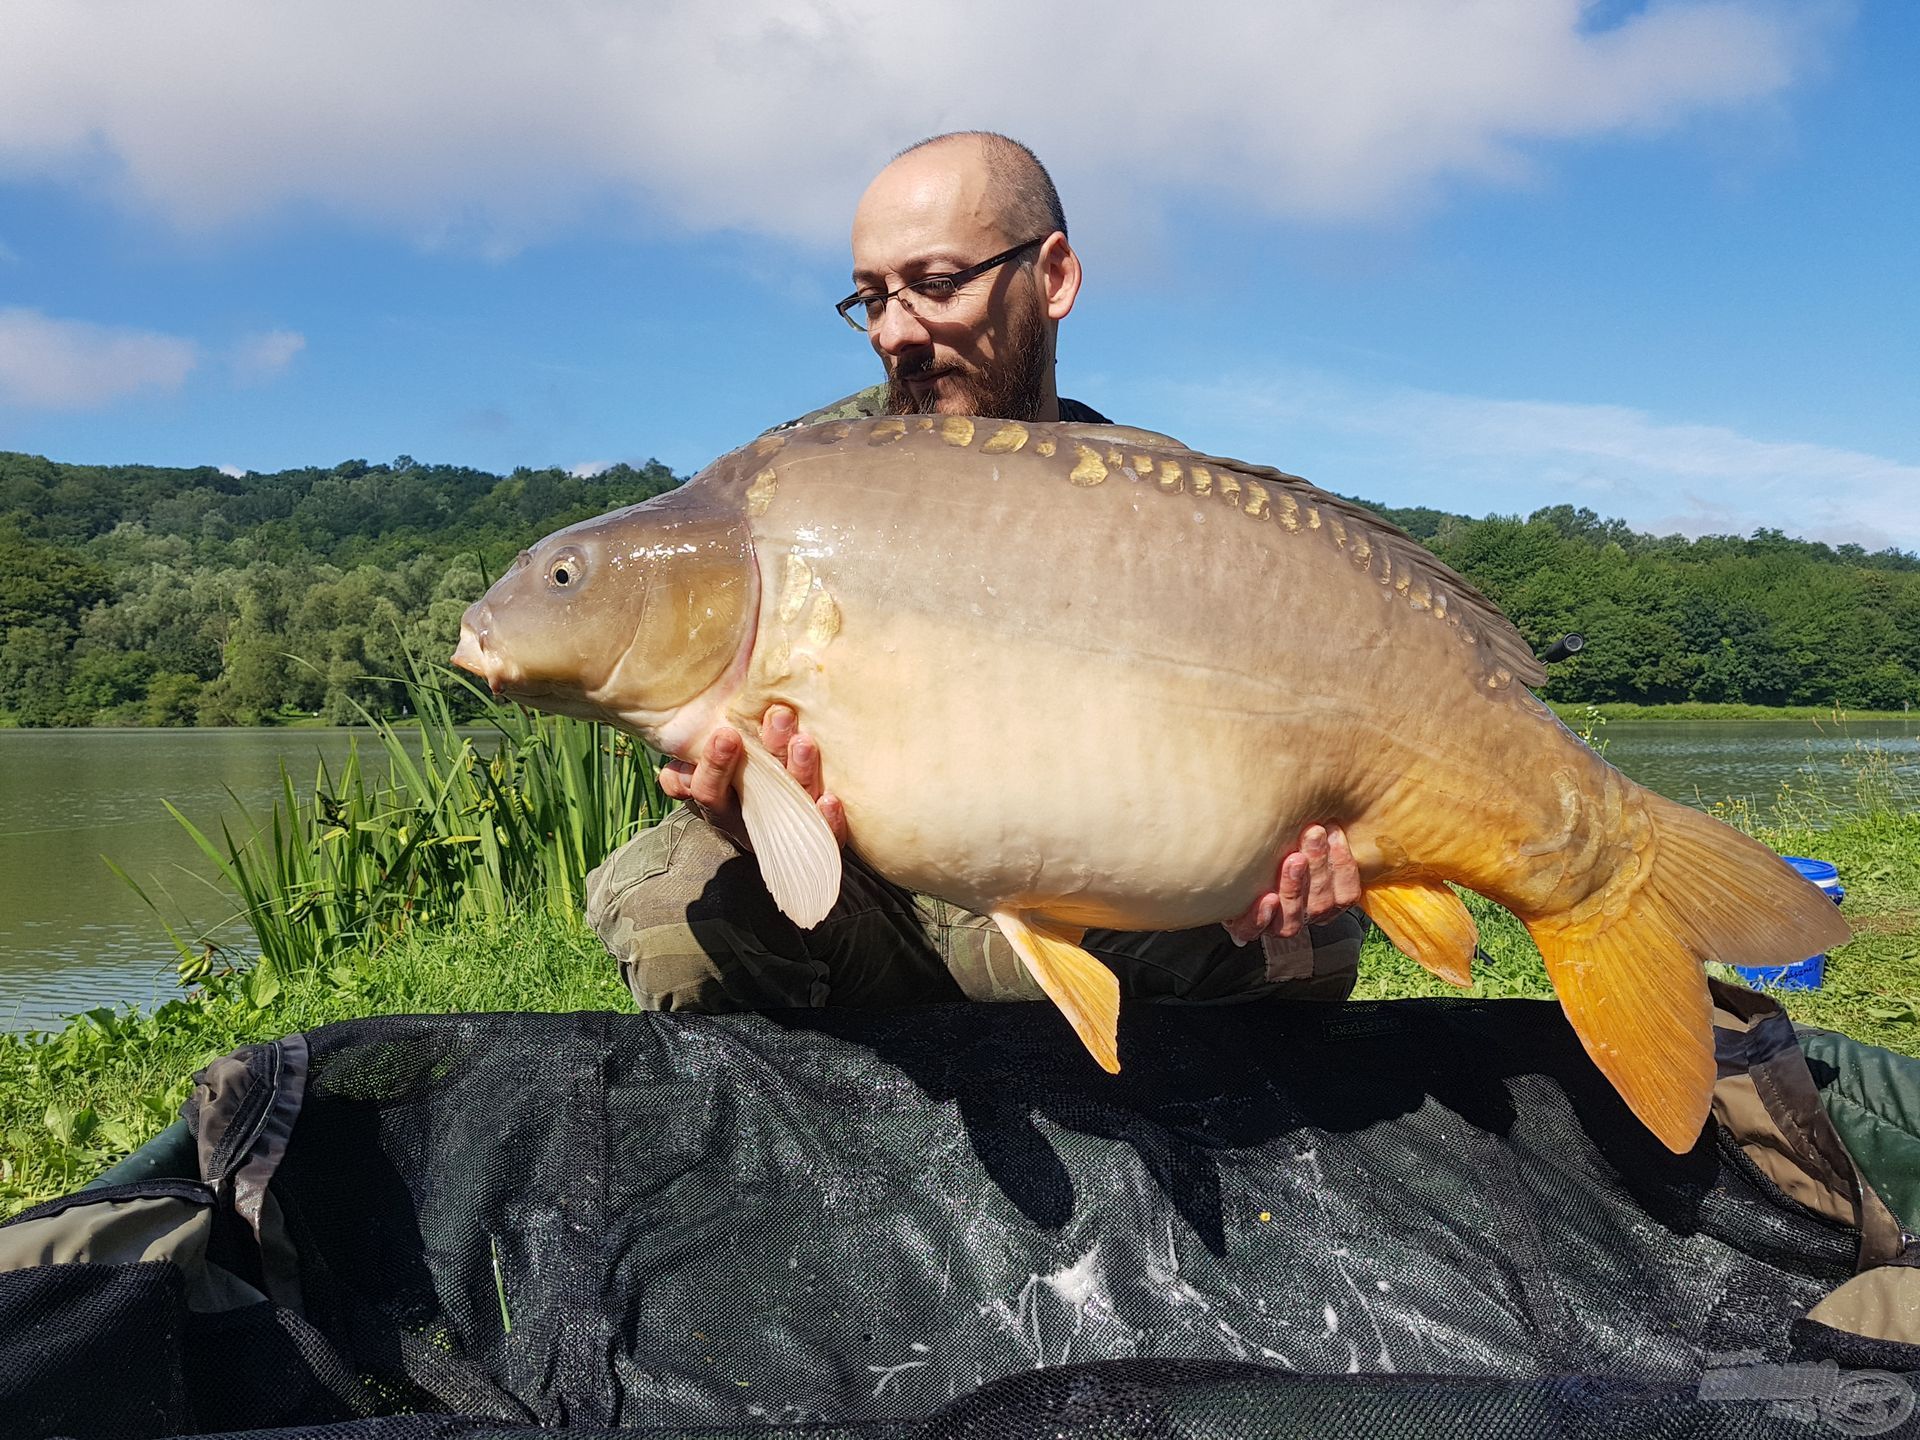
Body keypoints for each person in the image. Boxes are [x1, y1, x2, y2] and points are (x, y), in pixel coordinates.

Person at [587, 131, 1366, 1017]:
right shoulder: (801, 481)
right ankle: (819, 1143)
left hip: (1076, 894)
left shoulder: (1152, 507)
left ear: (1055, 277)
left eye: (936, 284)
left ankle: (1167, 1137)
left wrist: (1274, 853)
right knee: (675, 902)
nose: (895, 332)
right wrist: (747, 803)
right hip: (874, 902)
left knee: (1310, 940)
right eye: (872, 298)